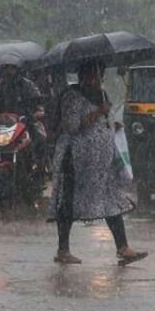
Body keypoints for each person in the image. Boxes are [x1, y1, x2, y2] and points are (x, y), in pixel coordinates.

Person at [48, 59, 147, 266]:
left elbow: (103, 120)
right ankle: (63, 250)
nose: (96, 79)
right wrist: (98, 113)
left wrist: (110, 122)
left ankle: (123, 247)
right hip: (74, 161)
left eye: (99, 75)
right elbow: (72, 126)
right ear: (83, 75)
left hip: (101, 164)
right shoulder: (72, 96)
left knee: (110, 200)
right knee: (68, 202)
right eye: (93, 75)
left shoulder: (101, 94)